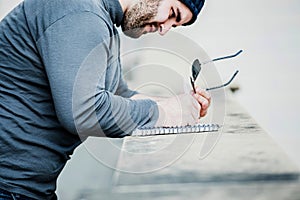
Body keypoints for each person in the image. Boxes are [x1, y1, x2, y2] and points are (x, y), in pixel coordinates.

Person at [0, 0, 210, 199]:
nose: (164, 29)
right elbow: (83, 112)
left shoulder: (99, 17)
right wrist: (164, 113)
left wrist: (178, 106)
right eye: (172, 13)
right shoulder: (80, 11)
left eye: (174, 26)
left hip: (24, 189)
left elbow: (119, 94)